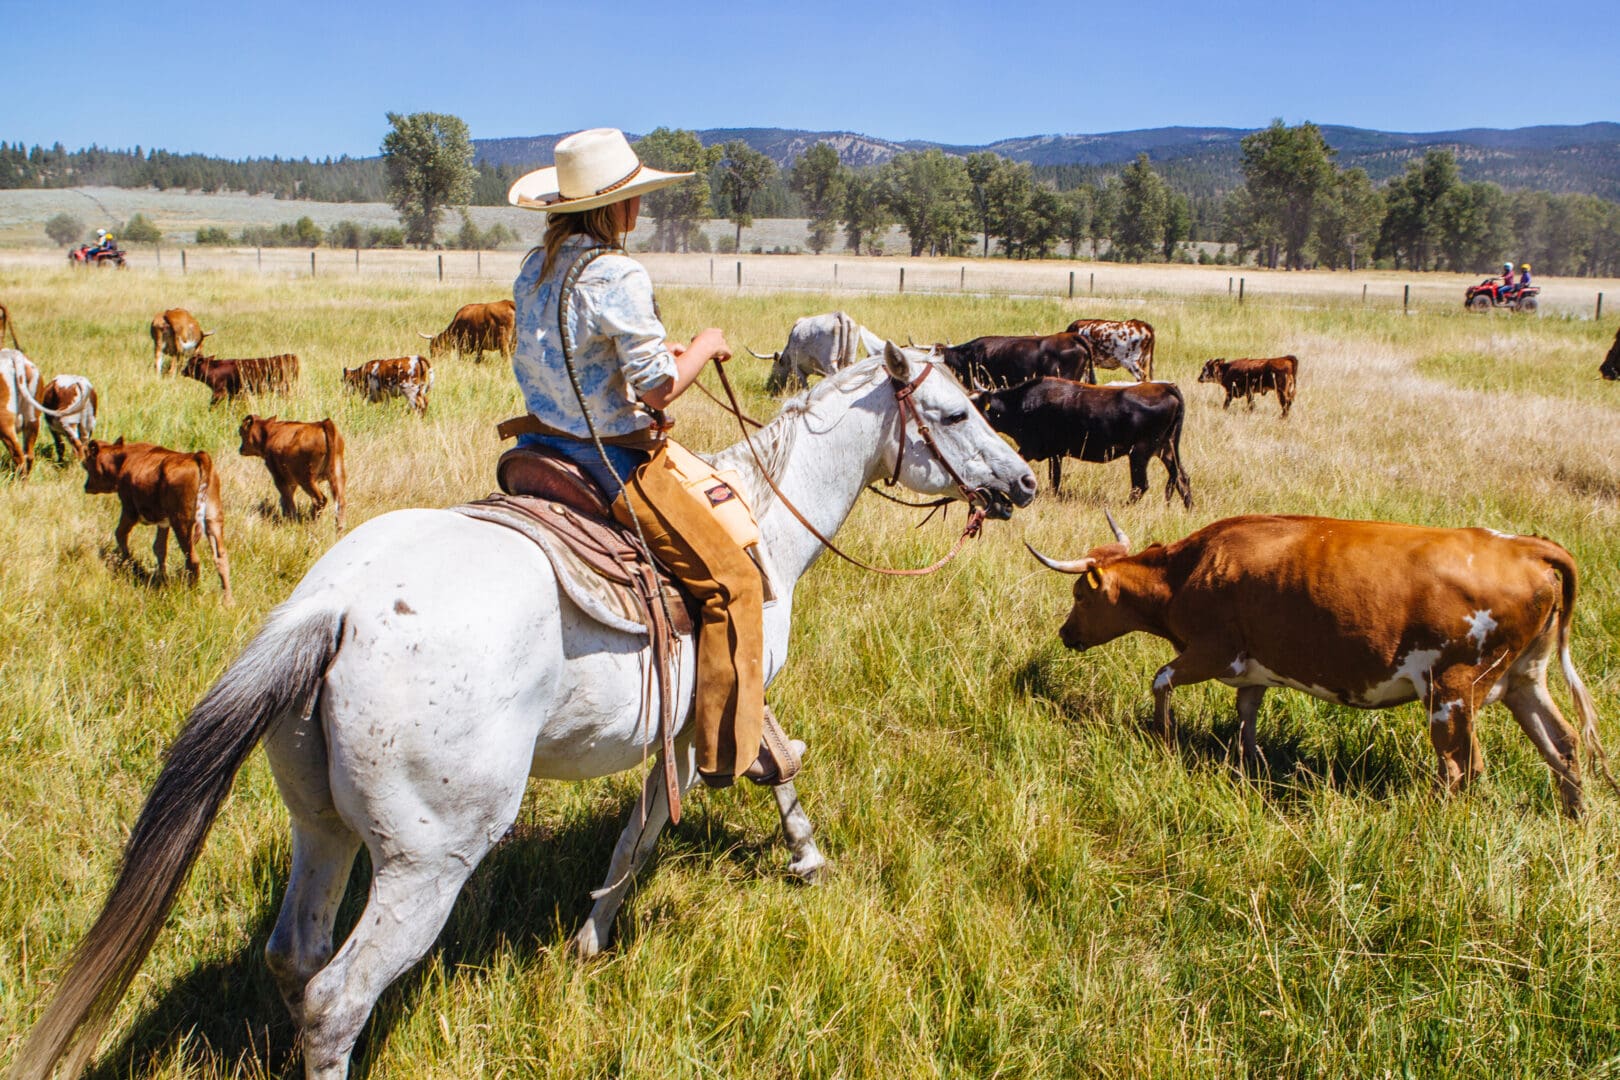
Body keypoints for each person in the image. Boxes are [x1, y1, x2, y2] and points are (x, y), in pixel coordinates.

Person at [505, 127, 798, 789]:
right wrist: (704, 345)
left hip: (537, 447)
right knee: (734, 584)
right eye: (633, 197)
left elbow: (577, 360)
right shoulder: (617, 272)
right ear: (613, 207)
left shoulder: (535, 266)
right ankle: (728, 750)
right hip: (609, 461)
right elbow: (657, 387)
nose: (641, 208)